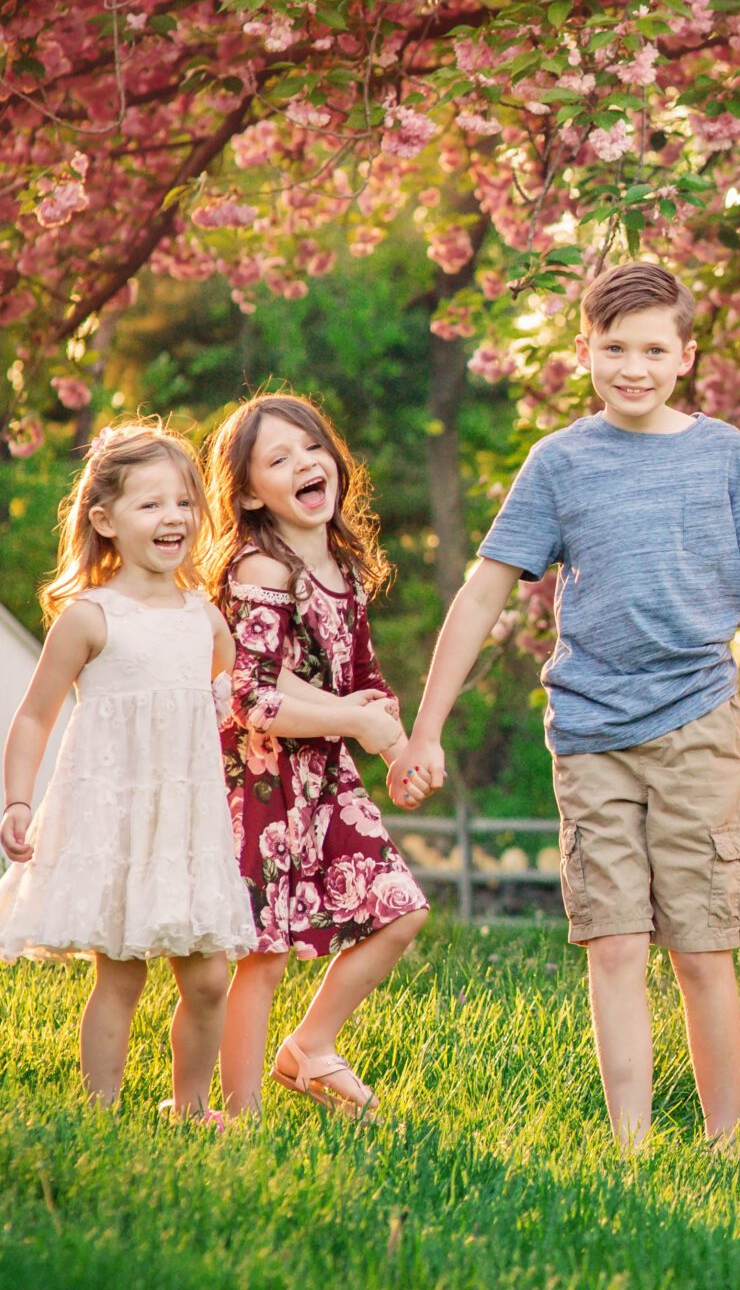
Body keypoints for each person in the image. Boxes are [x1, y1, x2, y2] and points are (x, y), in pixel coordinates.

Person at [389, 262, 740, 1157]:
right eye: (614, 349)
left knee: (703, 949)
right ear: (584, 351)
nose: (633, 368)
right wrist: (427, 727)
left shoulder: (725, 456)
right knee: (614, 945)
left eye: (652, 350)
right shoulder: (559, 463)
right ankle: (630, 1152)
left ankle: (723, 1146)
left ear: (686, 356)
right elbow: (482, 595)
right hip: (591, 734)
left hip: (697, 726)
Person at [0, 422, 257, 1122]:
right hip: (117, 821)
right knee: (121, 977)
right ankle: (99, 1115)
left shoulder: (204, 619)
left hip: (184, 828)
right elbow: (34, 716)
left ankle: (190, 1109)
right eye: (151, 504)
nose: (173, 518)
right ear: (104, 520)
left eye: (183, 502)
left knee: (209, 979)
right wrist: (16, 802)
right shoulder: (91, 618)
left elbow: (221, 698)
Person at [202, 392, 428, 1116]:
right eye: (278, 459)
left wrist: (399, 749)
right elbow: (251, 696)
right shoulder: (261, 570)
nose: (304, 463)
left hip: (325, 776)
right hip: (261, 780)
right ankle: (239, 1115)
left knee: (399, 910)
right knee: (263, 955)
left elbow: (363, 678)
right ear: (249, 494)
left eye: (312, 447)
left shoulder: (342, 567)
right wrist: (352, 723)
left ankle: (310, 1046)